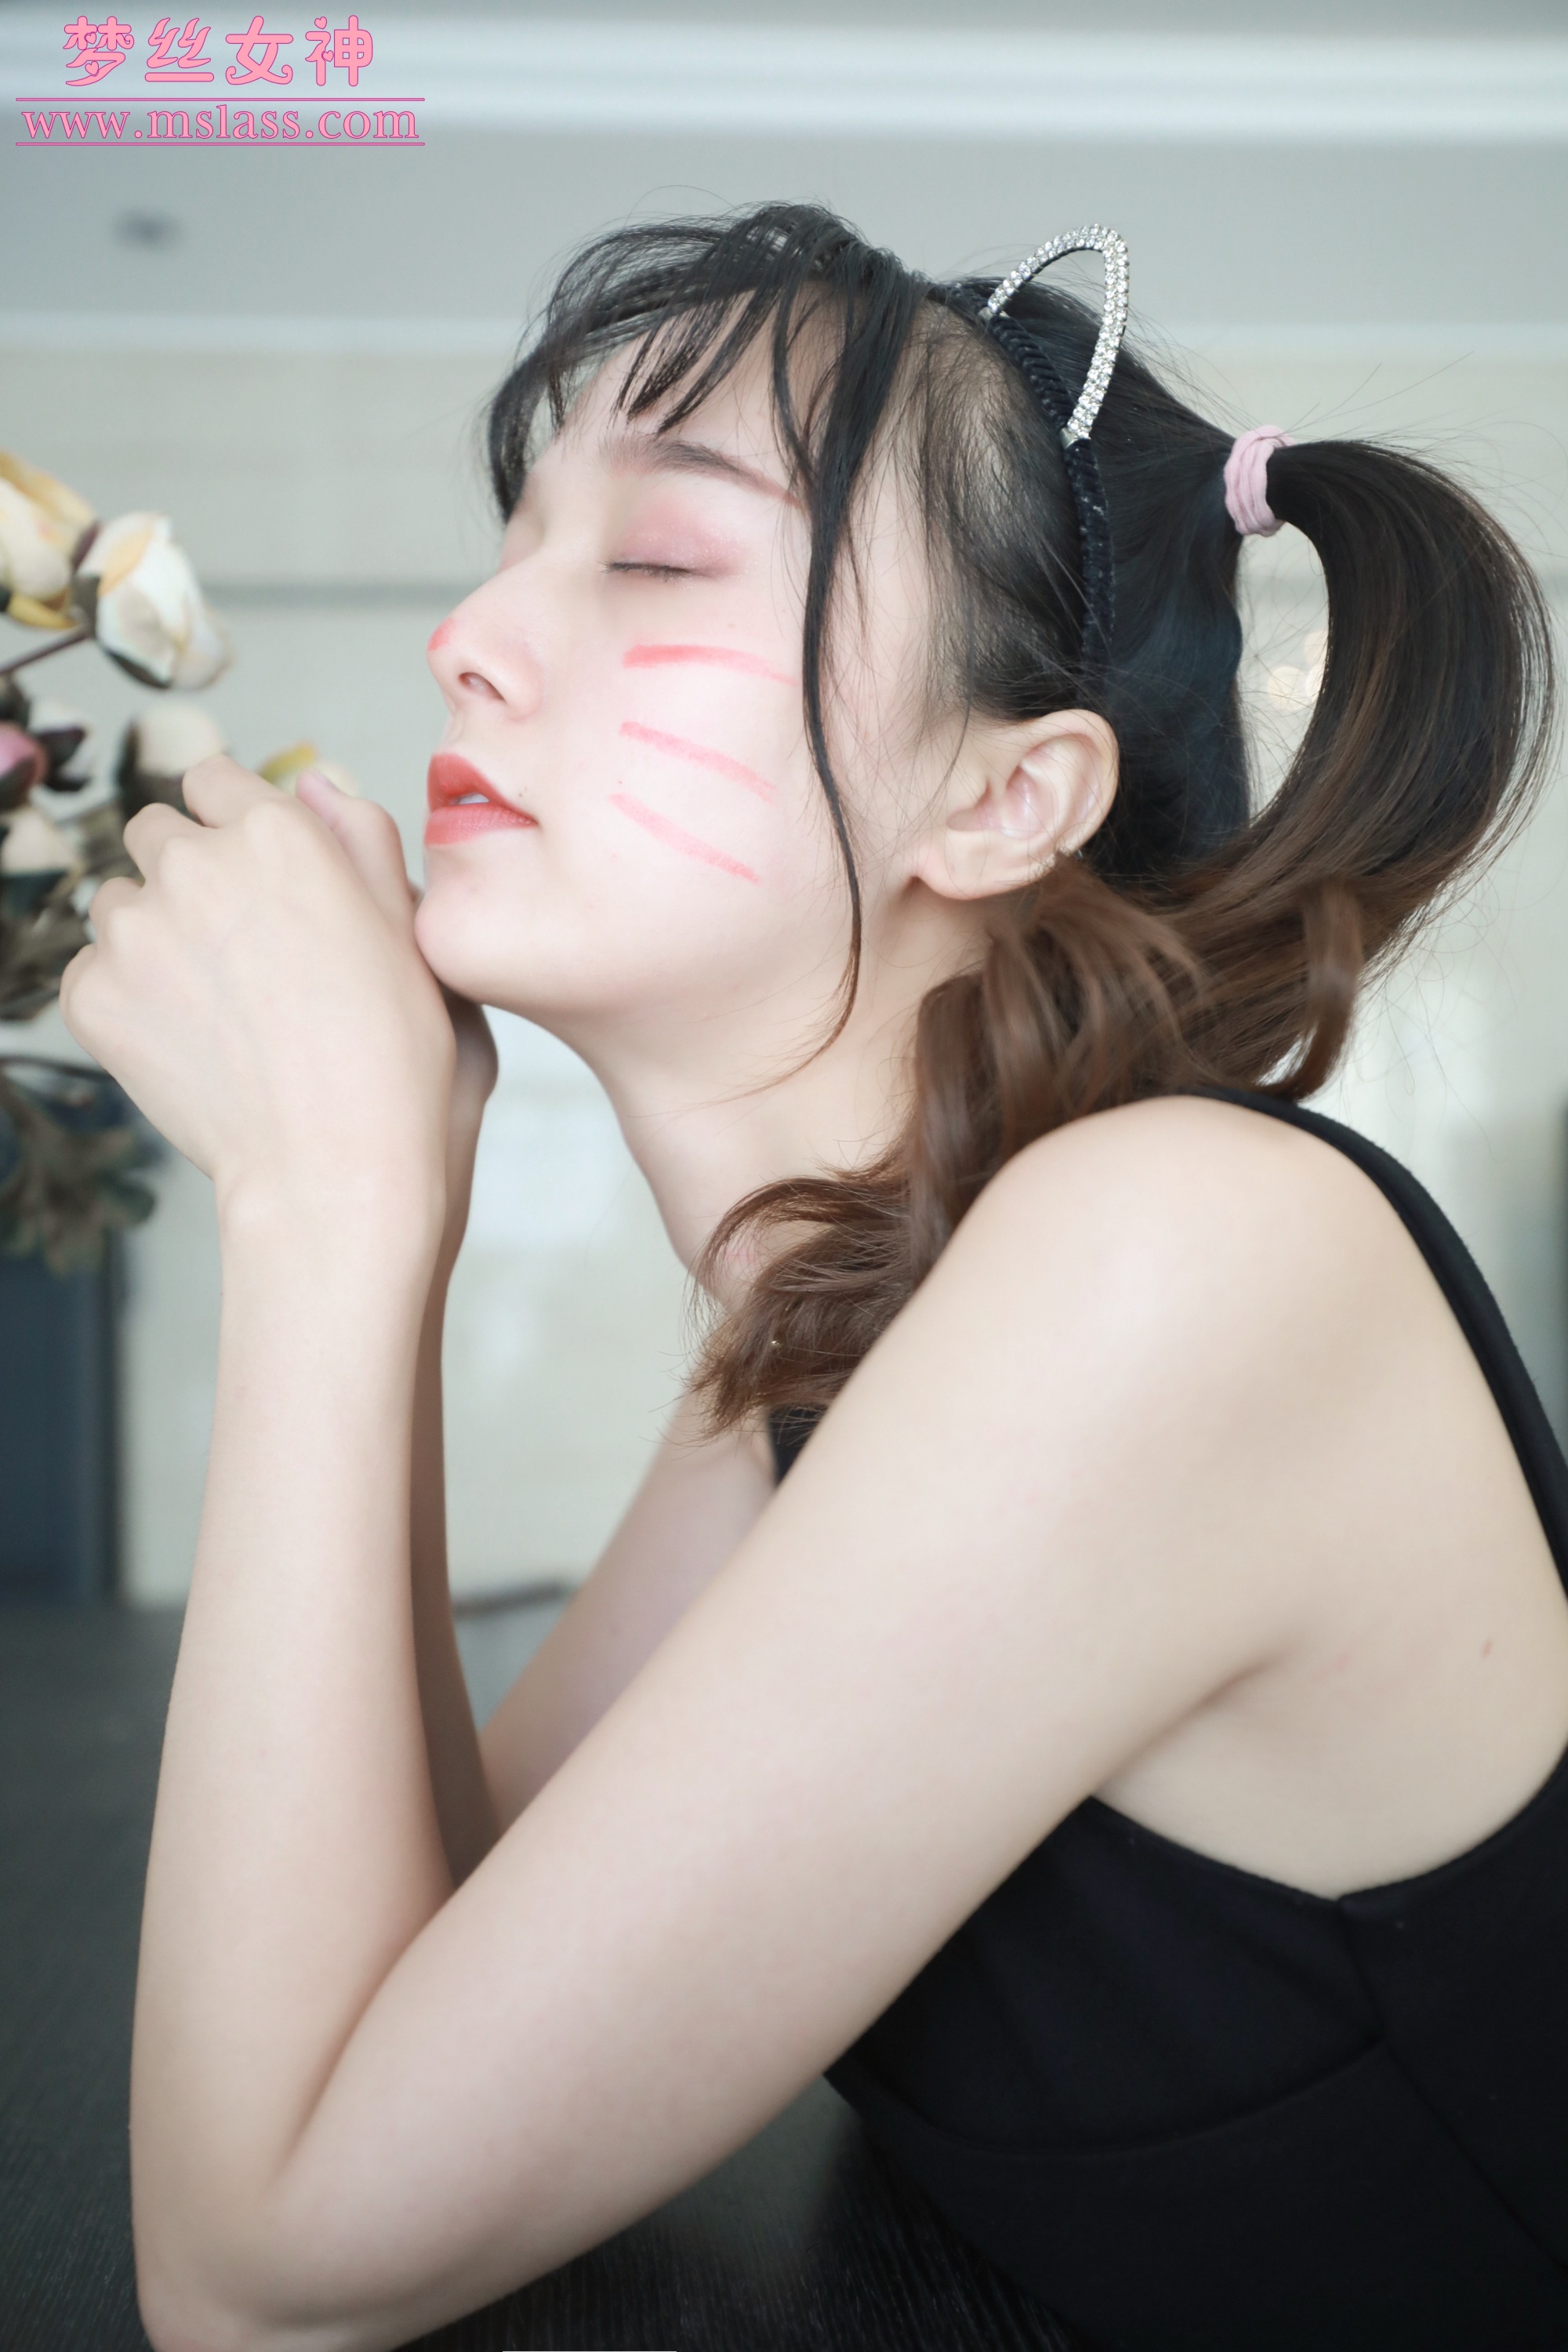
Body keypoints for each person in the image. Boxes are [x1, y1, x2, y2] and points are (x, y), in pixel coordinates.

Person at [62, 202, 1568, 2352]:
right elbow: (443, 1961)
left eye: (657, 560)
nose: (470, 634)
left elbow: (263, 2275)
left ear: (1004, 797)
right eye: (517, 540)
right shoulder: (849, 1315)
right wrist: (388, 1199)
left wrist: (325, 1203)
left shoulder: (1174, 1252)